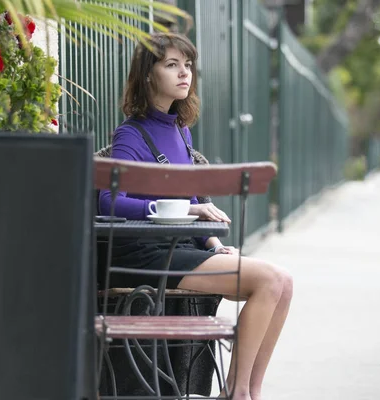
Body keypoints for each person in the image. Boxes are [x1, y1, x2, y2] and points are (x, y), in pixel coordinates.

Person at [98, 32, 293, 400]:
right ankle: (235, 394)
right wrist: (179, 209)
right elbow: (108, 200)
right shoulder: (131, 134)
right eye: (172, 65)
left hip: (180, 249)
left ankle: (250, 391)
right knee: (267, 281)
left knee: (284, 283)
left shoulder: (182, 132)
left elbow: (192, 197)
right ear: (147, 74)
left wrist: (215, 243)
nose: (184, 73)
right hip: (146, 255)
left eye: (187, 65)